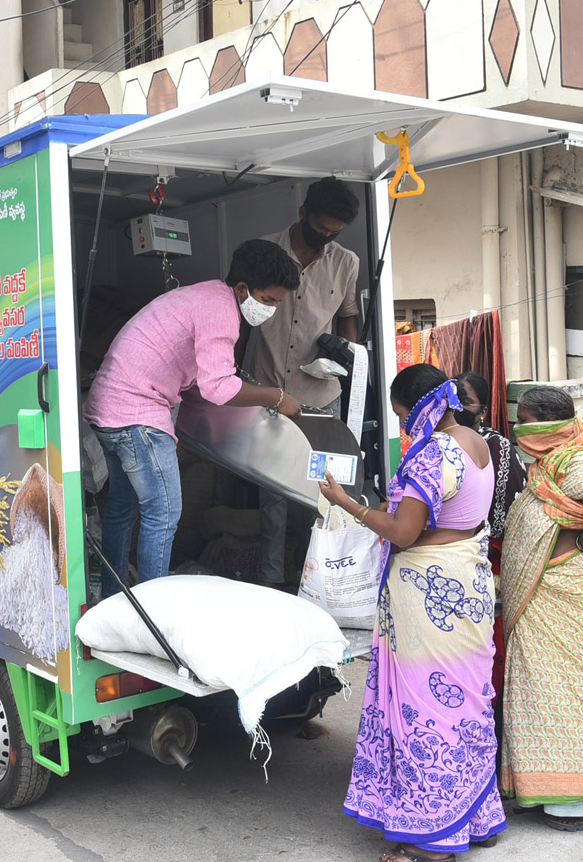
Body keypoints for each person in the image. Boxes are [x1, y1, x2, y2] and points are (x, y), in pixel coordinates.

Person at [319, 364, 505, 860]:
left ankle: (435, 836)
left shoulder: (431, 454)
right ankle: (475, 816)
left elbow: (404, 532)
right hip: (467, 579)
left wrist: (350, 505)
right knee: (468, 701)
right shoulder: (479, 442)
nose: (404, 426)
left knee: (424, 704)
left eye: (404, 415)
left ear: (422, 406)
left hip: (426, 590)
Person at [85, 239, 300, 597]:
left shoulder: (204, 296)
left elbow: (200, 381)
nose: (272, 310)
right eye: (268, 301)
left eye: (278, 303)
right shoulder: (222, 313)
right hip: (137, 414)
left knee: (123, 510)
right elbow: (218, 388)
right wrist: (276, 397)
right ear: (244, 289)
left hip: (107, 410)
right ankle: (153, 613)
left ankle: (114, 597)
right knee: (164, 514)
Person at [498, 386, 583, 830]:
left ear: (548, 427)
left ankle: (576, 803)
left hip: (566, 594)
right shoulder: (551, 463)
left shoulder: (576, 461)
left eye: (526, 420)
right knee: (542, 696)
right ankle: (545, 791)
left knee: (572, 697)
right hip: (547, 597)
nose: (518, 428)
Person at [254, 177, 361, 588]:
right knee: (273, 499)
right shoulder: (265, 250)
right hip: (269, 394)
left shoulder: (345, 262)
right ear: (303, 214)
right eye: (321, 229)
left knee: (321, 496)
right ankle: (271, 585)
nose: (326, 238)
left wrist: (345, 353)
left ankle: (312, 582)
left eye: (335, 233)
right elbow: (245, 315)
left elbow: (349, 314)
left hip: (321, 398)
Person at [455, 372, 526, 728]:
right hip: (449, 560)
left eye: (466, 402)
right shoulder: (436, 442)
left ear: (482, 410)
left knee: (486, 653)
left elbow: (510, 512)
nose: (459, 407)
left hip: (488, 559)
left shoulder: (496, 446)